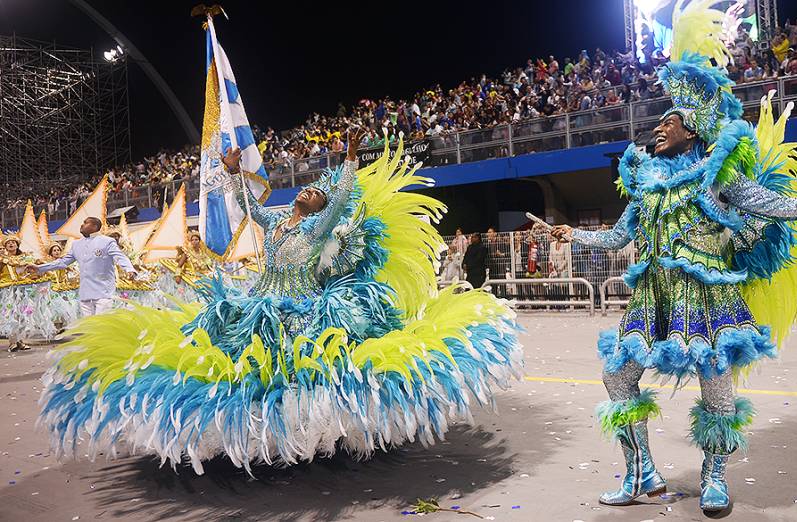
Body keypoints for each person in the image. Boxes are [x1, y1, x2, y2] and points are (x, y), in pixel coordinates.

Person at [551, 2, 797, 512]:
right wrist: (573, 236)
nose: (657, 127)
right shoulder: (645, 185)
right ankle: (640, 474)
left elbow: (781, 206)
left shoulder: (718, 179)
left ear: (691, 129)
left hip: (709, 298)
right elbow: (617, 238)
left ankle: (714, 476)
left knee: (715, 388)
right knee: (616, 376)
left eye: (667, 121)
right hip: (652, 302)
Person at [39, 129, 521, 475]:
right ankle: (247, 427)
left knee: (296, 360)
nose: (310, 191)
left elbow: (341, 197)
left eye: (316, 191)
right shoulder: (277, 222)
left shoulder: (319, 226)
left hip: (300, 300)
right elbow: (248, 209)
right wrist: (232, 176)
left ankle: (308, 429)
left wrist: (350, 161)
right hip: (263, 295)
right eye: (307, 189)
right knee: (235, 341)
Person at [27, 217, 137, 317]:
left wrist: (129, 269)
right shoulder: (76, 244)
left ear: (95, 227)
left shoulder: (107, 242)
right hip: (85, 293)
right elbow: (62, 262)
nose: (81, 225)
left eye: (85, 222)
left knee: (101, 325)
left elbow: (120, 256)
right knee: (88, 326)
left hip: (104, 292)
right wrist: (40, 268)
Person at [0, 236, 55, 351]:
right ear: (5, 246)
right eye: (8, 243)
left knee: (23, 315)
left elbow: (32, 272)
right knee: (12, 315)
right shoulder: (2, 259)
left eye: (13, 242)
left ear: (17, 245)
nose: (11, 244)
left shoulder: (26, 258)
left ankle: (21, 341)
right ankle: (12, 342)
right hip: (8, 291)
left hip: (23, 290)